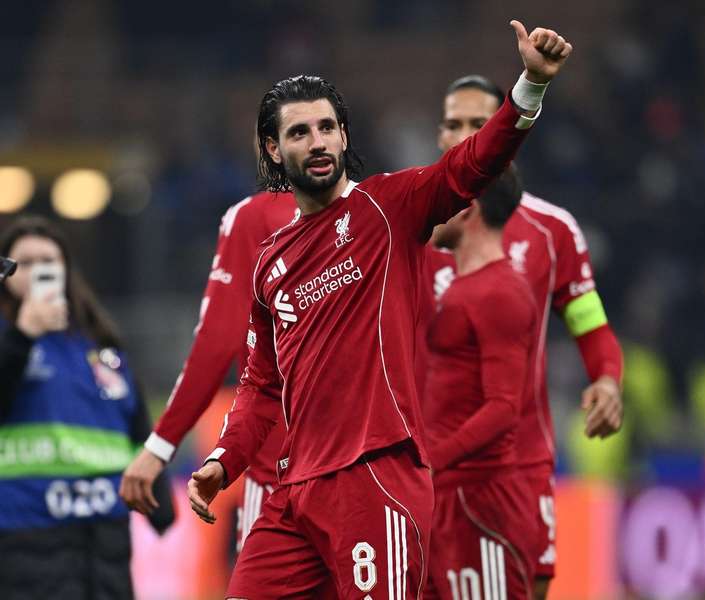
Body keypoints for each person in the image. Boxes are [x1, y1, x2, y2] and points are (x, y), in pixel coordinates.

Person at [187, 20, 573, 599]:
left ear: (344, 137)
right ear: (274, 149)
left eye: (326, 128)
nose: (316, 142)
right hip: (294, 489)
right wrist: (224, 459)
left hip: (377, 474)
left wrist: (530, 89)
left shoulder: (388, 208)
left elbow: (471, 165)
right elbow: (260, 388)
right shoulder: (270, 260)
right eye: (299, 133)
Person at [425, 74, 624, 599]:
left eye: (478, 124)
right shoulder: (413, 223)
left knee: (523, 587)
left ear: (509, 131)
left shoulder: (550, 231)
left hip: (516, 461)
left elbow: (590, 324)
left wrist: (606, 380)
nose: (464, 136)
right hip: (429, 465)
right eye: (452, 124)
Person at [0, 216, 174, 600]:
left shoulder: (99, 346)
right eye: (25, 262)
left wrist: (160, 499)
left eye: (49, 261)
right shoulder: (7, 339)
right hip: (22, 534)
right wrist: (23, 335)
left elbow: (133, 426)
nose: (38, 271)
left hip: (103, 542)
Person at [119, 189, 297, 549]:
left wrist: (160, 445)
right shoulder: (378, 211)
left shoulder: (254, 217)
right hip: (373, 469)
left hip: (281, 473)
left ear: (269, 147)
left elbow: (216, 342)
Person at [423, 167, 539, 600]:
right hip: (445, 500)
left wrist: (430, 461)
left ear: (468, 208)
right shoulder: (464, 287)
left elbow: (503, 407)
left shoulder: (500, 292)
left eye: (443, 199)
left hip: (481, 502)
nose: (434, 210)